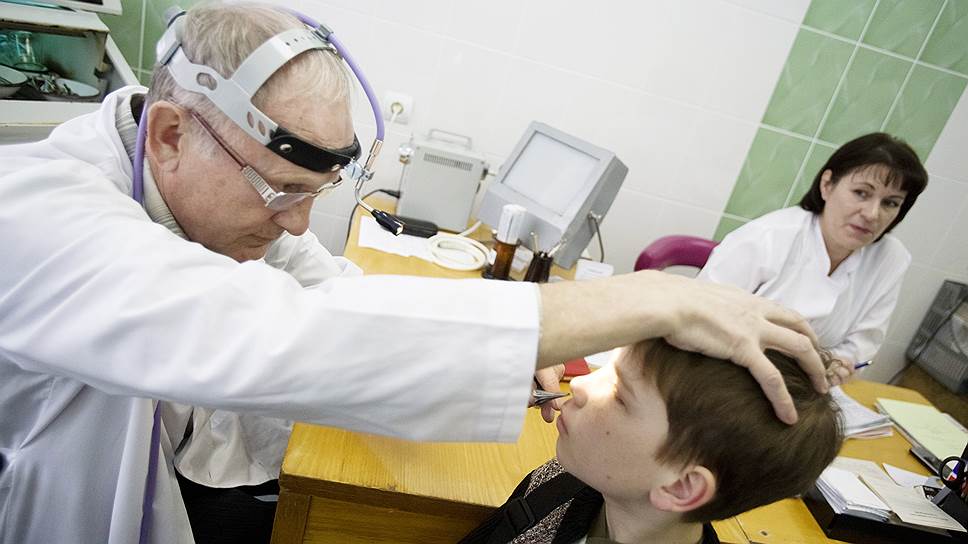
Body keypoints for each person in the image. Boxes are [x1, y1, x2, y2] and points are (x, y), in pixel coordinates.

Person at [0, 4, 828, 543]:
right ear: (171, 135)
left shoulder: (206, 197)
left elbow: (335, 296)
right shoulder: (40, 217)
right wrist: (643, 298)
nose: (297, 224)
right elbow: (271, 335)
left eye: (314, 195)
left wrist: (515, 352)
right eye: (280, 191)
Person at [461, 339, 843, 544]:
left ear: (681, 486)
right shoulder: (556, 482)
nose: (579, 384)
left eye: (620, 396)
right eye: (606, 369)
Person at [698, 133, 928, 385]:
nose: (872, 214)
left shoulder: (890, 259)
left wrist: (839, 363)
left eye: (890, 203)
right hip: (723, 377)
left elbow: (863, 344)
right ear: (827, 185)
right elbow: (701, 321)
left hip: (809, 387)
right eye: (861, 193)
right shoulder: (767, 237)